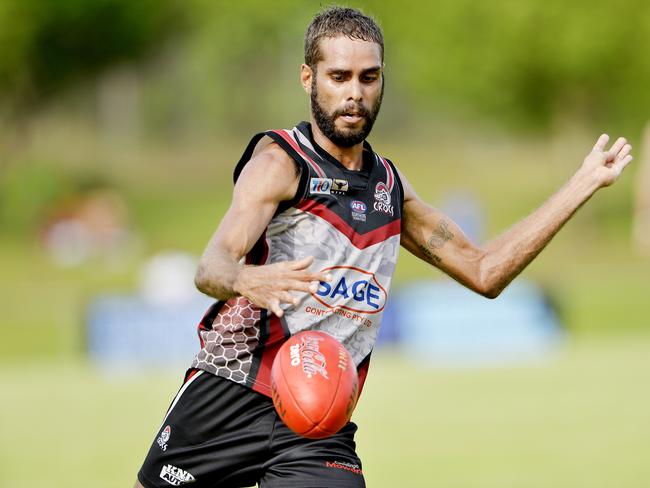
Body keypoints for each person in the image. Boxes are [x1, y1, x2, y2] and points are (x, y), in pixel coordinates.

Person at [134, 6, 633, 488]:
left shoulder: (389, 189)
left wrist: (581, 185)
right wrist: (246, 278)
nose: (354, 94)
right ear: (309, 79)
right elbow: (211, 265)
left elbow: (485, 272)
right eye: (339, 77)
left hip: (317, 419)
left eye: (368, 78)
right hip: (230, 391)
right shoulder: (280, 163)